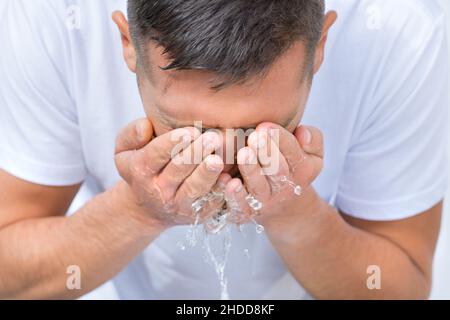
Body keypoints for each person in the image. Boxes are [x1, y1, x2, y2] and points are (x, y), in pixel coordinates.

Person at [0, 0, 448, 299]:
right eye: (188, 134)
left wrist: (294, 212)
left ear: (320, 48)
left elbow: (403, 286)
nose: (225, 166)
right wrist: (139, 210)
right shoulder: (55, 18)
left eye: (260, 130)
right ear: (126, 44)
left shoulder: (398, 31)